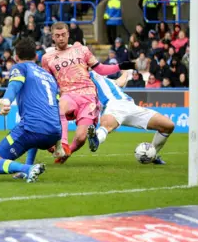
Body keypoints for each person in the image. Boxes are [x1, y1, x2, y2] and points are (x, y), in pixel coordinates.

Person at [41, 22, 134, 163]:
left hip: (88, 97)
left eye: (63, 35)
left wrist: (119, 66)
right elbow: (48, 82)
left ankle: (66, 153)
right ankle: (63, 144)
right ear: (52, 37)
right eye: (57, 35)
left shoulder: (82, 50)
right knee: (61, 107)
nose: (61, 38)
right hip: (68, 94)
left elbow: (101, 69)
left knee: (81, 137)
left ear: (68, 34)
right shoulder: (47, 58)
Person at [0, 38, 61, 183]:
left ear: (16, 57)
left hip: (32, 129)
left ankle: (28, 169)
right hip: (54, 133)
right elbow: (57, 108)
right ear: (36, 56)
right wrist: (58, 143)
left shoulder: (20, 67)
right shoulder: (49, 77)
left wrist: (6, 101)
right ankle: (29, 167)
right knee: (33, 132)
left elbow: (14, 86)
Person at [87, 70, 174, 164]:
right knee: (107, 126)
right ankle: (96, 140)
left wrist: (125, 72)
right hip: (113, 105)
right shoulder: (89, 76)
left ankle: (152, 154)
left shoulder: (109, 81)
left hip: (131, 106)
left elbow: (120, 82)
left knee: (168, 126)